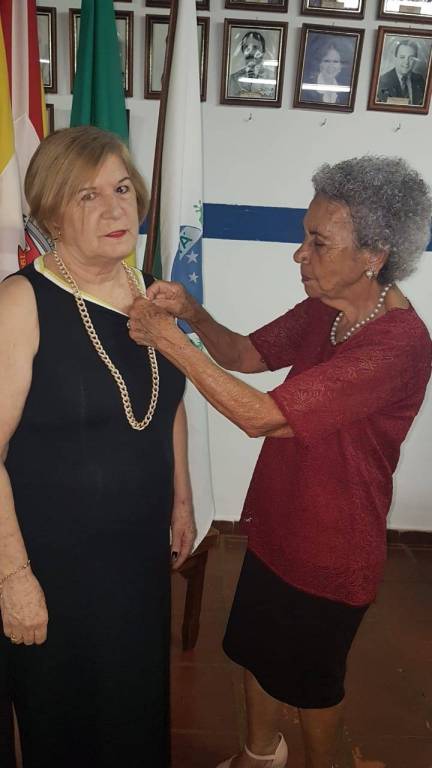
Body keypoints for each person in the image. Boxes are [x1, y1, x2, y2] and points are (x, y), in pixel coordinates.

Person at [128, 156, 432, 768]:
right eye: (304, 235)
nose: (300, 254)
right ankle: (260, 754)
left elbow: (261, 416)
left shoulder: (397, 345)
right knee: (254, 650)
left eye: (319, 243)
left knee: (313, 686)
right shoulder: (326, 307)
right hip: (279, 520)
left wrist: (169, 343)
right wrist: (193, 315)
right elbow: (245, 354)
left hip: (333, 546)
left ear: (374, 255)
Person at [0, 125, 196, 768]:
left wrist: (182, 500)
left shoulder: (151, 292)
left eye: (122, 189)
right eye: (88, 196)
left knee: (132, 706)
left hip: (135, 554)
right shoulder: (21, 303)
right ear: (51, 213)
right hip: (51, 560)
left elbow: (168, 405)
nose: (115, 209)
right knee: (68, 717)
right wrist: (13, 577)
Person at [229, 31, 276, 99]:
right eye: (246, 47)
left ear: (263, 51)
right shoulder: (233, 79)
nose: (250, 52)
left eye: (255, 47)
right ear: (242, 50)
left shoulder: (273, 78)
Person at [377, 39, 426, 105]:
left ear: (415, 60)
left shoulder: (419, 79)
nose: (406, 62)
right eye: (402, 57)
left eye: (411, 58)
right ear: (395, 58)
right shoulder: (383, 81)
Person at [303, 40, 351, 106]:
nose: (331, 66)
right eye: (326, 61)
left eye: (335, 61)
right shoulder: (307, 89)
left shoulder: (345, 92)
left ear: (340, 66)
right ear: (320, 64)